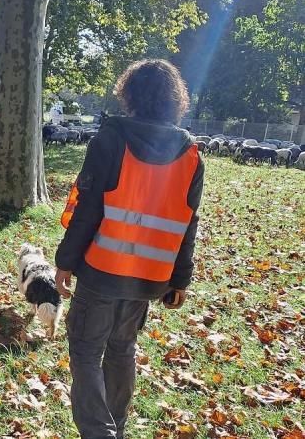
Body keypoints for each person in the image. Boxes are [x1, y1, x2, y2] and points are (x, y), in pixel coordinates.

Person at [55, 59, 204, 439]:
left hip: (102, 270)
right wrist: (179, 280)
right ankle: (115, 430)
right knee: (122, 350)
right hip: (148, 279)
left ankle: (99, 433)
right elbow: (188, 224)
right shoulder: (191, 155)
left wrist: (65, 262)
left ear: (130, 95)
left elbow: (87, 210)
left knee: (86, 352)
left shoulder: (109, 139)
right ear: (175, 100)